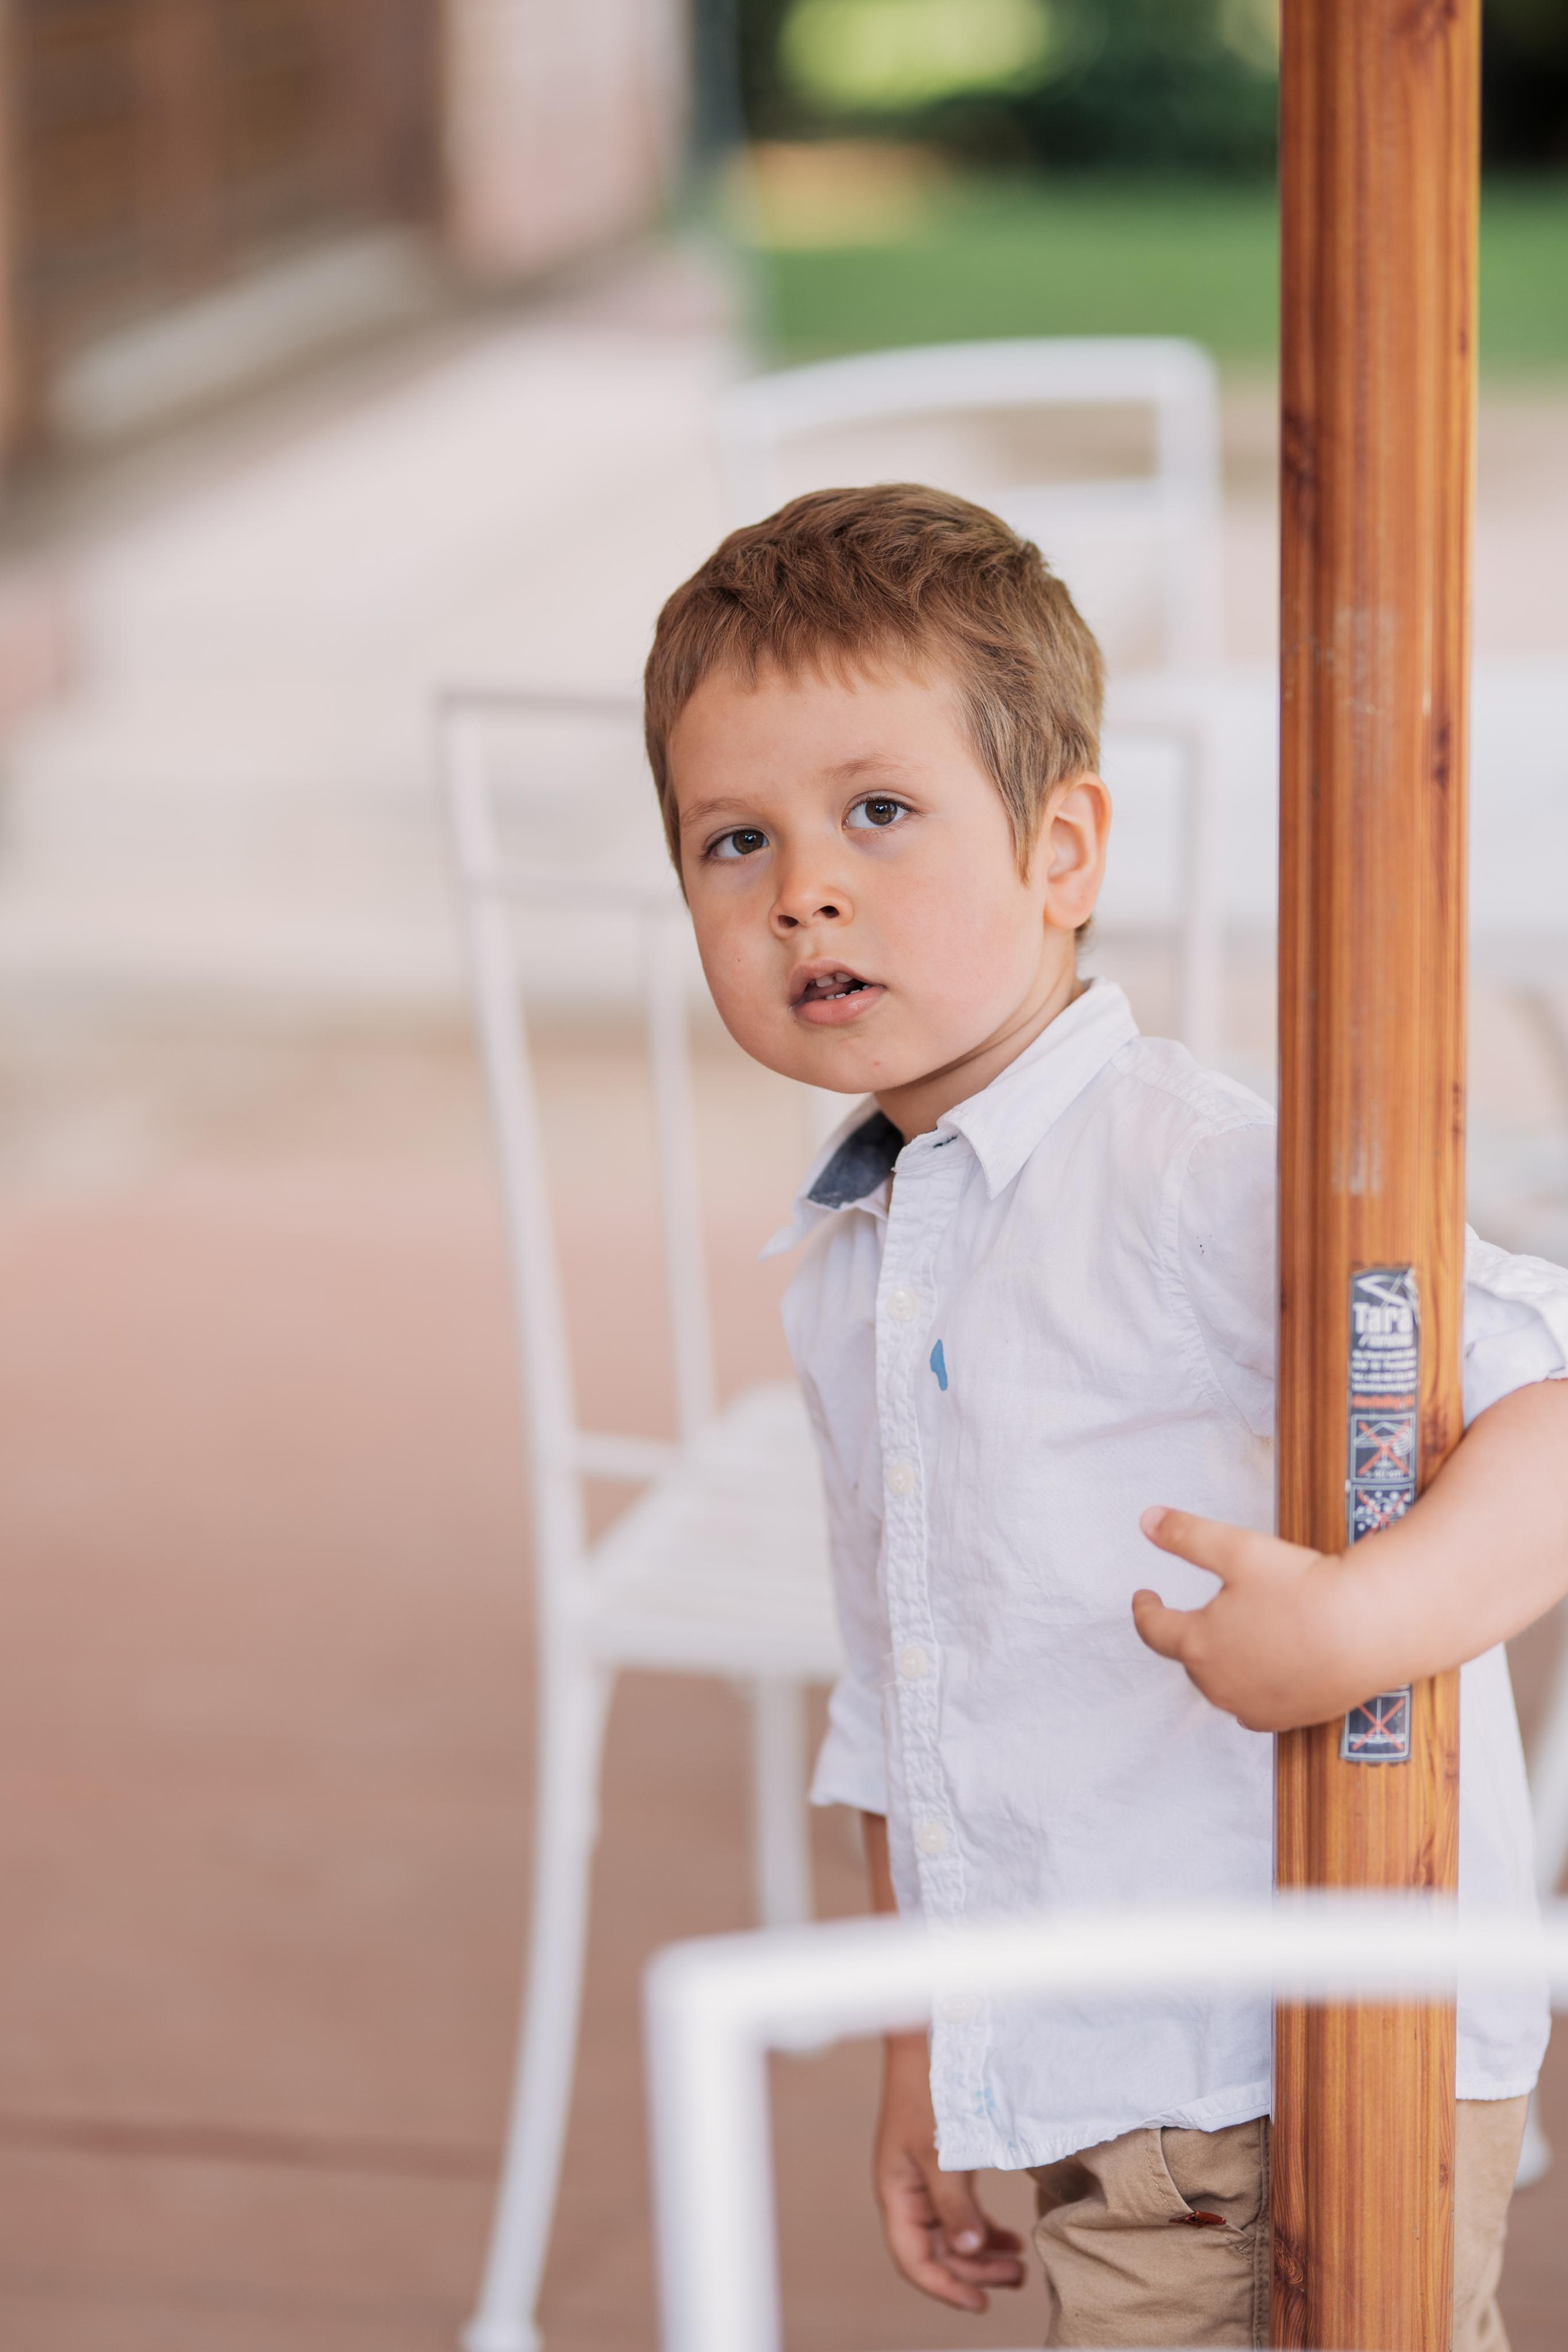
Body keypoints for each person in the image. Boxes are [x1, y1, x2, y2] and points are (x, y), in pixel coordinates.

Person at [641, 482, 1568, 2350]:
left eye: (877, 813)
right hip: (1083, 2058)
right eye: (733, 840)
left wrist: (1371, 1625)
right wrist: (936, 2048)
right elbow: (906, 1697)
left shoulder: (1186, 1167)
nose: (801, 886)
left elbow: (1551, 1392)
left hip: (1283, 2052)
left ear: (1064, 848)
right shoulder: (856, 1266)